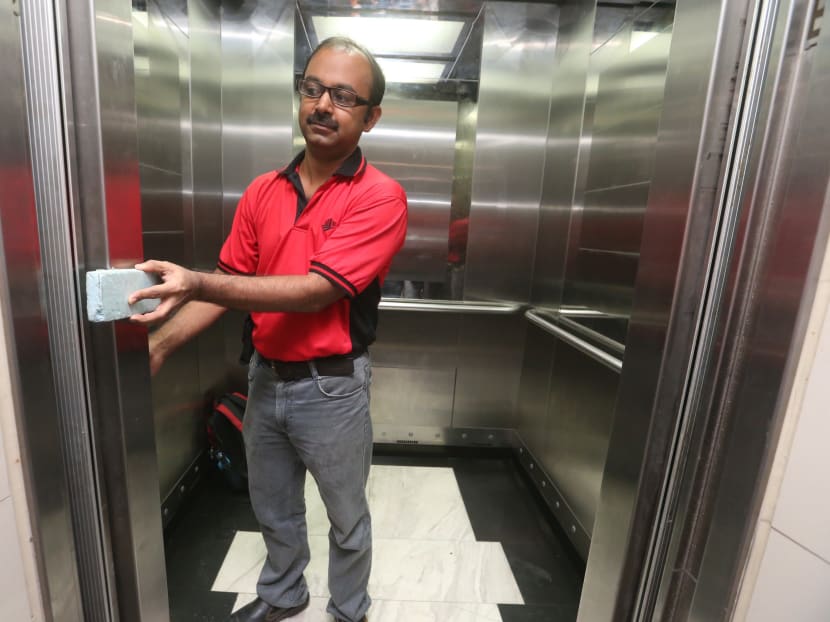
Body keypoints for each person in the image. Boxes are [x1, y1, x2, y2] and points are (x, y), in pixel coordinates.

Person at [129, 37, 408, 622]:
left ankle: (350, 609)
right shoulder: (263, 190)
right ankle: (285, 594)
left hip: (332, 387)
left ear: (371, 117)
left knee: (345, 514)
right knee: (273, 505)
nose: (323, 105)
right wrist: (160, 344)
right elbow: (232, 278)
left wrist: (196, 283)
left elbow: (316, 290)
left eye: (343, 96)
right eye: (313, 89)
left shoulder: (380, 197)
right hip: (264, 379)